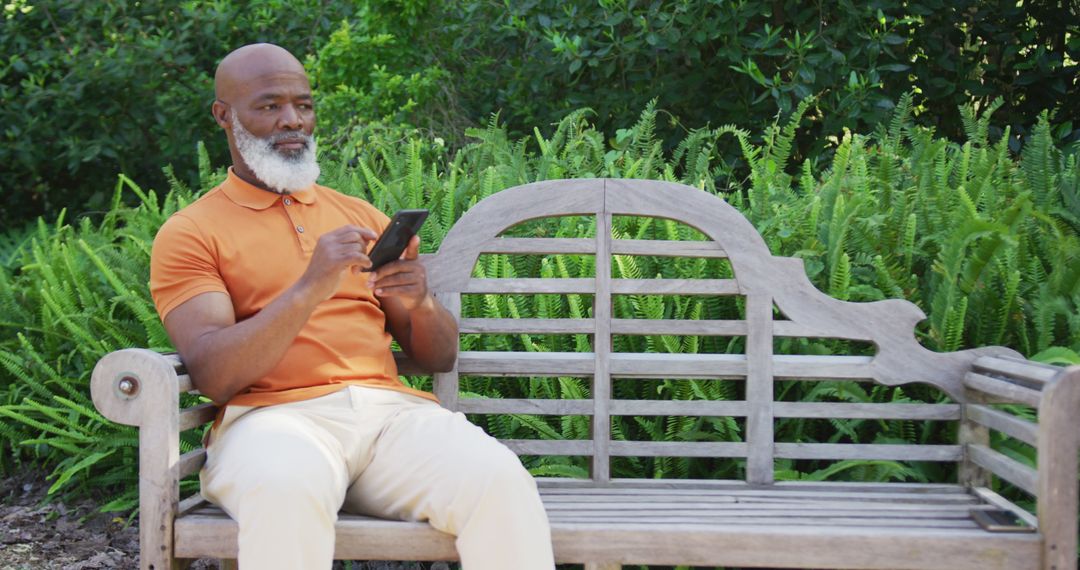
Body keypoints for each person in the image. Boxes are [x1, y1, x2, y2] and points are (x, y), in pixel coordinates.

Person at [149, 43, 555, 569]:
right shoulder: (191, 232)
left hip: (391, 420)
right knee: (283, 487)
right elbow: (215, 375)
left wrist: (418, 301)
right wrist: (309, 286)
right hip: (271, 422)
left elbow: (438, 357)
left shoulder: (357, 214)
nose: (292, 120)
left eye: (304, 105)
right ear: (224, 116)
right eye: (269, 106)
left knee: (497, 479)